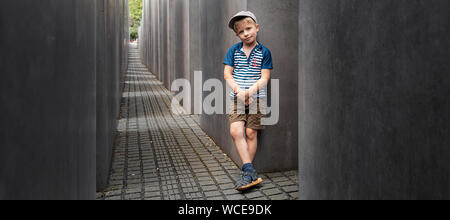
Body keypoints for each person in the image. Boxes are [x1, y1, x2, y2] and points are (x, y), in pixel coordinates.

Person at [223, 11, 273, 191]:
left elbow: (264, 77)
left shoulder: (264, 52)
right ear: (237, 35)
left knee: (251, 133)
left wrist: (250, 92)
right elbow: (227, 74)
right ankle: (249, 170)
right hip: (236, 97)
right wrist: (239, 91)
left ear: (257, 28)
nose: (246, 33)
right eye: (241, 31)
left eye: (249, 28)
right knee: (236, 131)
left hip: (257, 98)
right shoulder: (233, 51)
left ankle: (246, 173)